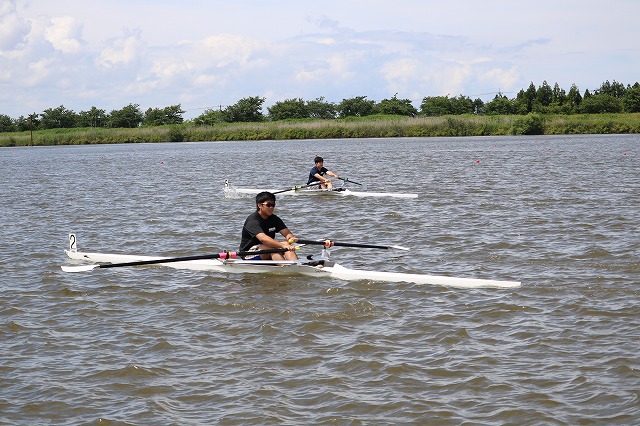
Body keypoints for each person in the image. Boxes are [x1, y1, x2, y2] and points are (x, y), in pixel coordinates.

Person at [239, 191, 298, 261]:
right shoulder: (252, 221)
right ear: (259, 205)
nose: (271, 207)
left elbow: (287, 233)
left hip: (266, 249)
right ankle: (285, 265)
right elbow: (263, 239)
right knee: (278, 247)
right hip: (248, 253)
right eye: (268, 205)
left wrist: (291, 238)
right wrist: (283, 245)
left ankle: (294, 264)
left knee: (286, 245)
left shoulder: (274, 218)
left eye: (273, 205)